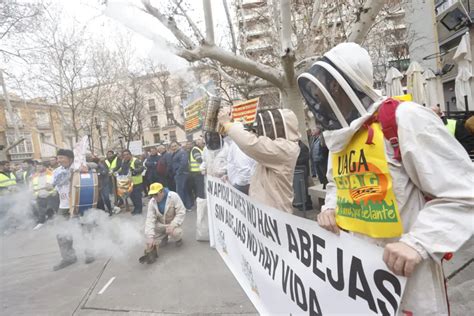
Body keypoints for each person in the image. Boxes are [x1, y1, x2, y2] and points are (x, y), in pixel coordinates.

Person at [297, 42, 474, 314]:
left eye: (328, 85)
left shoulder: (407, 119)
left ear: (340, 85)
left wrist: (418, 244)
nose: (319, 99)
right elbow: (337, 183)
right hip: (360, 277)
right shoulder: (340, 138)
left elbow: (463, 192)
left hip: (409, 279)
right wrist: (330, 207)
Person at [218, 109, 301, 213]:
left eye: (274, 125)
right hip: (265, 212)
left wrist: (228, 125)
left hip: (275, 212)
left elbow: (250, 144)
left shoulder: (286, 148)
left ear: (285, 127)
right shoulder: (281, 147)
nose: (268, 129)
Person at [51, 149, 95, 271]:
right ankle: (68, 258)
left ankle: (90, 252)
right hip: (64, 206)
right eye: (58, 158)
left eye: (61, 157)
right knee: (61, 233)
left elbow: (95, 165)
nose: (58, 160)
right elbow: (56, 182)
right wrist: (72, 171)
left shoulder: (80, 166)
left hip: (80, 204)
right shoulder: (57, 171)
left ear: (70, 158)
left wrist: (87, 168)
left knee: (85, 229)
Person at [141, 182, 185, 264]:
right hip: (161, 225)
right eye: (152, 195)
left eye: (156, 194)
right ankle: (164, 237)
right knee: (157, 240)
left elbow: (181, 212)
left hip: (172, 224)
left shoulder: (173, 196)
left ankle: (178, 239)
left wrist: (173, 225)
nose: (154, 197)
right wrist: (150, 237)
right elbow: (150, 219)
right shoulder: (152, 202)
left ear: (161, 191)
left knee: (176, 233)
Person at [30, 161, 57, 230]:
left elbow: (56, 185)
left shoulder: (52, 174)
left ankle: (53, 221)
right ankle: (41, 222)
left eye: (40, 167)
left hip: (50, 195)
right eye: (37, 167)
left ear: (45, 167)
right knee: (41, 210)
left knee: (52, 209)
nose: (38, 168)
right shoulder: (34, 176)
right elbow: (31, 186)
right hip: (39, 196)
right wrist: (32, 193)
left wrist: (54, 192)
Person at [117, 149, 144, 215]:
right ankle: (136, 208)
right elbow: (122, 169)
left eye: (127, 154)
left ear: (130, 154)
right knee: (132, 196)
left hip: (137, 182)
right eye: (124, 155)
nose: (126, 156)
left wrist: (134, 171)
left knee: (137, 197)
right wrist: (117, 172)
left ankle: (139, 210)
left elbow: (141, 168)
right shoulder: (124, 161)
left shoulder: (136, 160)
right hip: (128, 182)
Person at [169, 141, 193, 211]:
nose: (174, 147)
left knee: (180, 192)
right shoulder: (175, 153)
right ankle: (187, 207)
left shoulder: (182, 152)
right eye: (172, 146)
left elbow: (184, 163)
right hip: (180, 174)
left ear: (178, 145)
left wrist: (178, 172)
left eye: (175, 145)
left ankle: (181, 208)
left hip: (181, 174)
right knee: (184, 191)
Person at [295, 139, 313, 210]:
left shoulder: (303, 147)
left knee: (305, 187)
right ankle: (303, 203)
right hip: (301, 169)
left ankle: (308, 204)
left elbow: (305, 158)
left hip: (303, 170)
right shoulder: (299, 147)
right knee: (301, 188)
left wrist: (295, 161)